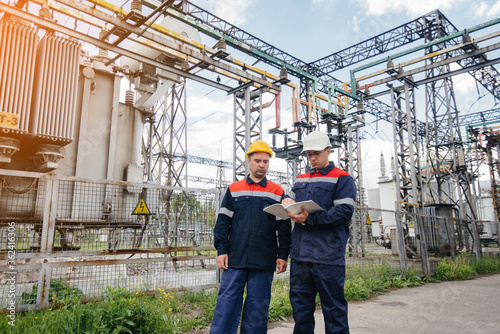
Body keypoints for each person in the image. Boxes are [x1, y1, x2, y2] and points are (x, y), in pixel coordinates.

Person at [210, 140, 291, 334]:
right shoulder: (234, 189)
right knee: (226, 306)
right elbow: (223, 222)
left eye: (265, 161)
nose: (262, 165)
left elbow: (284, 228)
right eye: (257, 161)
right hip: (235, 259)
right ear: (249, 161)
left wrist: (282, 254)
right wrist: (221, 250)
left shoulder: (277, 192)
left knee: (257, 309)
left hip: (264, 260)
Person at [282, 131, 357, 334]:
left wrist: (311, 219)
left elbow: (343, 212)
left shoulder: (343, 178)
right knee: (301, 310)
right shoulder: (301, 179)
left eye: (316, 153)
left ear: (328, 151)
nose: (312, 158)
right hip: (300, 257)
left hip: (328, 256)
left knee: (334, 311)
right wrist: (286, 201)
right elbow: (287, 197)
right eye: (309, 154)